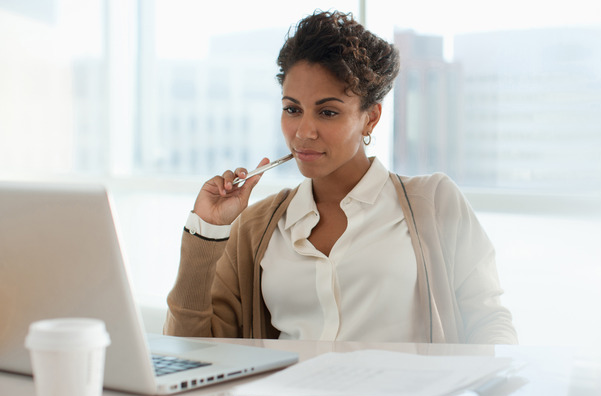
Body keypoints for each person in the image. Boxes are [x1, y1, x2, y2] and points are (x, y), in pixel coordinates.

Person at [163, 10, 518, 344]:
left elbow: (489, 323)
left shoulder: (434, 202)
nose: (303, 132)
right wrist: (207, 229)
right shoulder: (256, 228)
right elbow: (192, 354)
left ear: (370, 118)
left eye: (328, 112)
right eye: (292, 109)